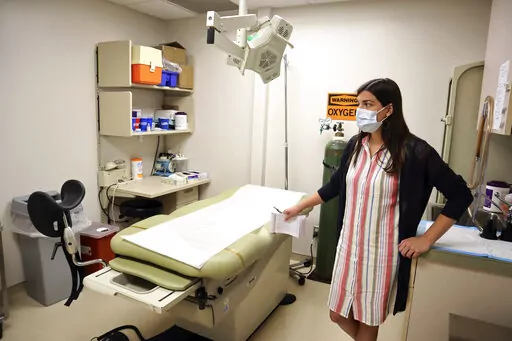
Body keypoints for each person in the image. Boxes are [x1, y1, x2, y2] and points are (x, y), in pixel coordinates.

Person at [283, 78, 473, 341]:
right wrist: (299, 207)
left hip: (380, 257)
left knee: (368, 324)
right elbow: (335, 185)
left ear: (389, 109)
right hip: (347, 250)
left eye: (369, 104)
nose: (361, 110)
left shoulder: (415, 152)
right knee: (336, 314)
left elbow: (461, 195)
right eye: (359, 104)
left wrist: (426, 239)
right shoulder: (355, 146)